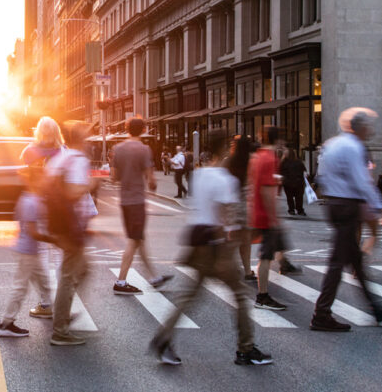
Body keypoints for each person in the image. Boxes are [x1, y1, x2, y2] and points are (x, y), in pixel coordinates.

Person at [150, 129, 273, 367]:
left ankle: (163, 338)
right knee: (240, 294)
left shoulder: (200, 175)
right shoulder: (223, 179)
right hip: (216, 245)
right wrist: (229, 242)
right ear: (225, 148)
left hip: (197, 241)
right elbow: (225, 217)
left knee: (190, 296)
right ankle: (246, 349)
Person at [310, 108, 382, 331]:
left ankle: (377, 308)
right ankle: (321, 314)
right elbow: (363, 183)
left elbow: (319, 176)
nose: (371, 129)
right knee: (336, 263)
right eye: (369, 125)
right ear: (360, 127)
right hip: (347, 206)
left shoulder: (331, 144)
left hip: (334, 204)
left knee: (356, 262)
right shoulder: (354, 147)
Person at [111, 116, 172, 296]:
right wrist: (153, 186)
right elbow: (151, 179)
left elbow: (114, 178)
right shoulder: (144, 149)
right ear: (144, 129)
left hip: (124, 200)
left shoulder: (117, 149)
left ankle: (153, 277)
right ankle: (120, 281)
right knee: (134, 239)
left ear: (126, 128)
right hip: (137, 200)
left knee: (139, 239)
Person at [46, 120, 93, 346]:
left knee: (81, 270)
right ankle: (60, 329)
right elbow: (74, 192)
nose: (89, 140)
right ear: (79, 139)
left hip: (60, 225)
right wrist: (91, 185)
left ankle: (62, 313)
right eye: (86, 136)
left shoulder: (61, 158)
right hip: (71, 226)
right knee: (69, 275)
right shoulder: (77, 160)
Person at [0, 158, 56, 337]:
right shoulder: (30, 201)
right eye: (43, 179)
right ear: (36, 181)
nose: (46, 182)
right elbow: (32, 231)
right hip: (27, 252)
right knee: (20, 288)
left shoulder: (30, 198)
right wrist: (53, 239)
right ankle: (6, 323)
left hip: (32, 250)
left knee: (45, 284)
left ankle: (59, 313)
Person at [248, 126, 301, 312]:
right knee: (266, 256)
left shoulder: (257, 157)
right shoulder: (270, 158)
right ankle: (262, 296)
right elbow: (266, 191)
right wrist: (273, 217)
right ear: (277, 140)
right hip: (265, 215)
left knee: (274, 247)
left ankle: (285, 263)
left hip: (257, 211)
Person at [224, 135, 256, 281]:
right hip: (247, 203)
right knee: (246, 240)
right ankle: (248, 270)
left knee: (232, 239)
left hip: (232, 202)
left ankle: (230, 267)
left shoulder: (228, 162)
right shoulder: (251, 162)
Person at [280, 149, 307, 216]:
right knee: (299, 197)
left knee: (289, 197)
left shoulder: (284, 163)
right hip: (299, 182)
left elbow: (281, 172)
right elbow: (304, 172)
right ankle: (300, 210)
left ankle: (291, 210)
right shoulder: (299, 162)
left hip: (288, 183)